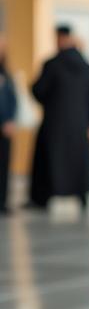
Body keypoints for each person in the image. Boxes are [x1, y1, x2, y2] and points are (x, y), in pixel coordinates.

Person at [27, 25, 89, 211]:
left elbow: (39, 91)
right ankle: (82, 196)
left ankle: (43, 199)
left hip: (55, 123)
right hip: (80, 124)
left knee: (48, 159)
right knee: (79, 160)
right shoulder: (85, 65)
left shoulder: (52, 64)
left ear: (60, 38)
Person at [0, 35, 17, 213]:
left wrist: (10, 120)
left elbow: (12, 99)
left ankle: (2, 201)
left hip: (5, 128)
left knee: (4, 166)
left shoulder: (6, 73)